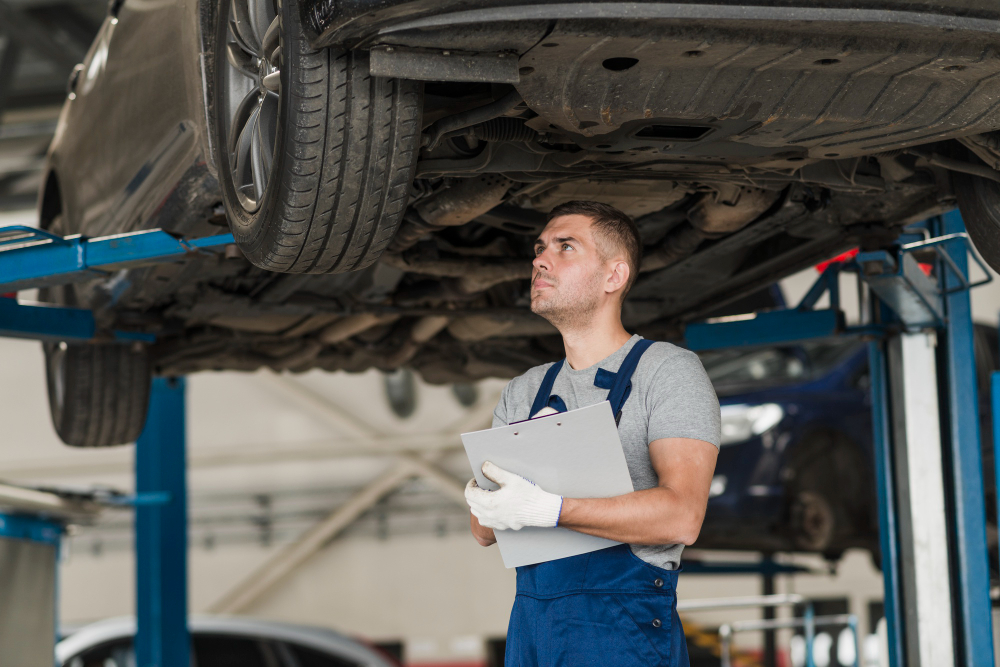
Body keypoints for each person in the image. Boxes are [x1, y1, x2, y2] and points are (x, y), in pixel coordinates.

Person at [465, 200, 721, 667]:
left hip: (621, 626)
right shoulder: (523, 391)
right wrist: (481, 499)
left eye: (566, 247)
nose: (541, 259)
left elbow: (683, 516)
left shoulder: (666, 372)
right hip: (532, 626)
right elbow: (483, 532)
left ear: (613, 276)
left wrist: (549, 509)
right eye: (540, 248)